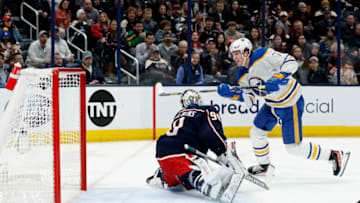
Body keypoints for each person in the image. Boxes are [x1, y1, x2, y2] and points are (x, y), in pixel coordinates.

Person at [217, 38, 350, 177]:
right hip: (272, 104)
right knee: (256, 132)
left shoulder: (262, 54)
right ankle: (264, 166)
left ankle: (333, 155)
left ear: (246, 52)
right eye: (233, 54)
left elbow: (291, 62)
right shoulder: (241, 75)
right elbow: (250, 100)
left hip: (290, 103)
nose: (234, 57)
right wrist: (232, 95)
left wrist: (278, 77)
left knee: (293, 148)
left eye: (237, 53)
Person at [146, 89, 244, 203]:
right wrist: (222, 152)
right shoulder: (205, 110)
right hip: (182, 151)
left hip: (162, 152)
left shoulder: (179, 115)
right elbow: (210, 132)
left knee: (178, 177)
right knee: (193, 174)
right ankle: (204, 184)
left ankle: (161, 175)